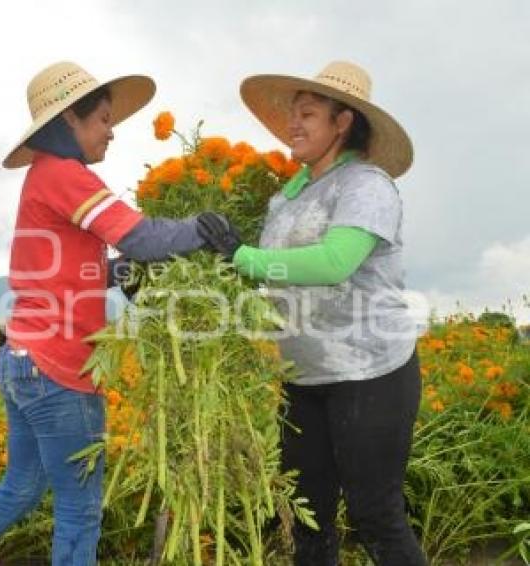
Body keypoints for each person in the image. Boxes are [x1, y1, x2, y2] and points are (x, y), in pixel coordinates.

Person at [0, 61, 213, 565]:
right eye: (104, 119)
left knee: (20, 489)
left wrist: (114, 274)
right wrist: (202, 228)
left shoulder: (44, 178)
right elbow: (144, 237)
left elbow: (59, 269)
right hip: (59, 368)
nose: (112, 131)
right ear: (70, 120)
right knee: (79, 509)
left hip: (22, 357)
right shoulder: (66, 175)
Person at [198, 61, 427, 565]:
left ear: (342, 122)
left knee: (376, 516)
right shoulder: (287, 196)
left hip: (371, 374)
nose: (292, 125)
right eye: (291, 115)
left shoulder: (366, 184)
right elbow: (270, 275)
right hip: (304, 378)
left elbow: (333, 262)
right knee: (308, 517)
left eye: (307, 114)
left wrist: (245, 257)